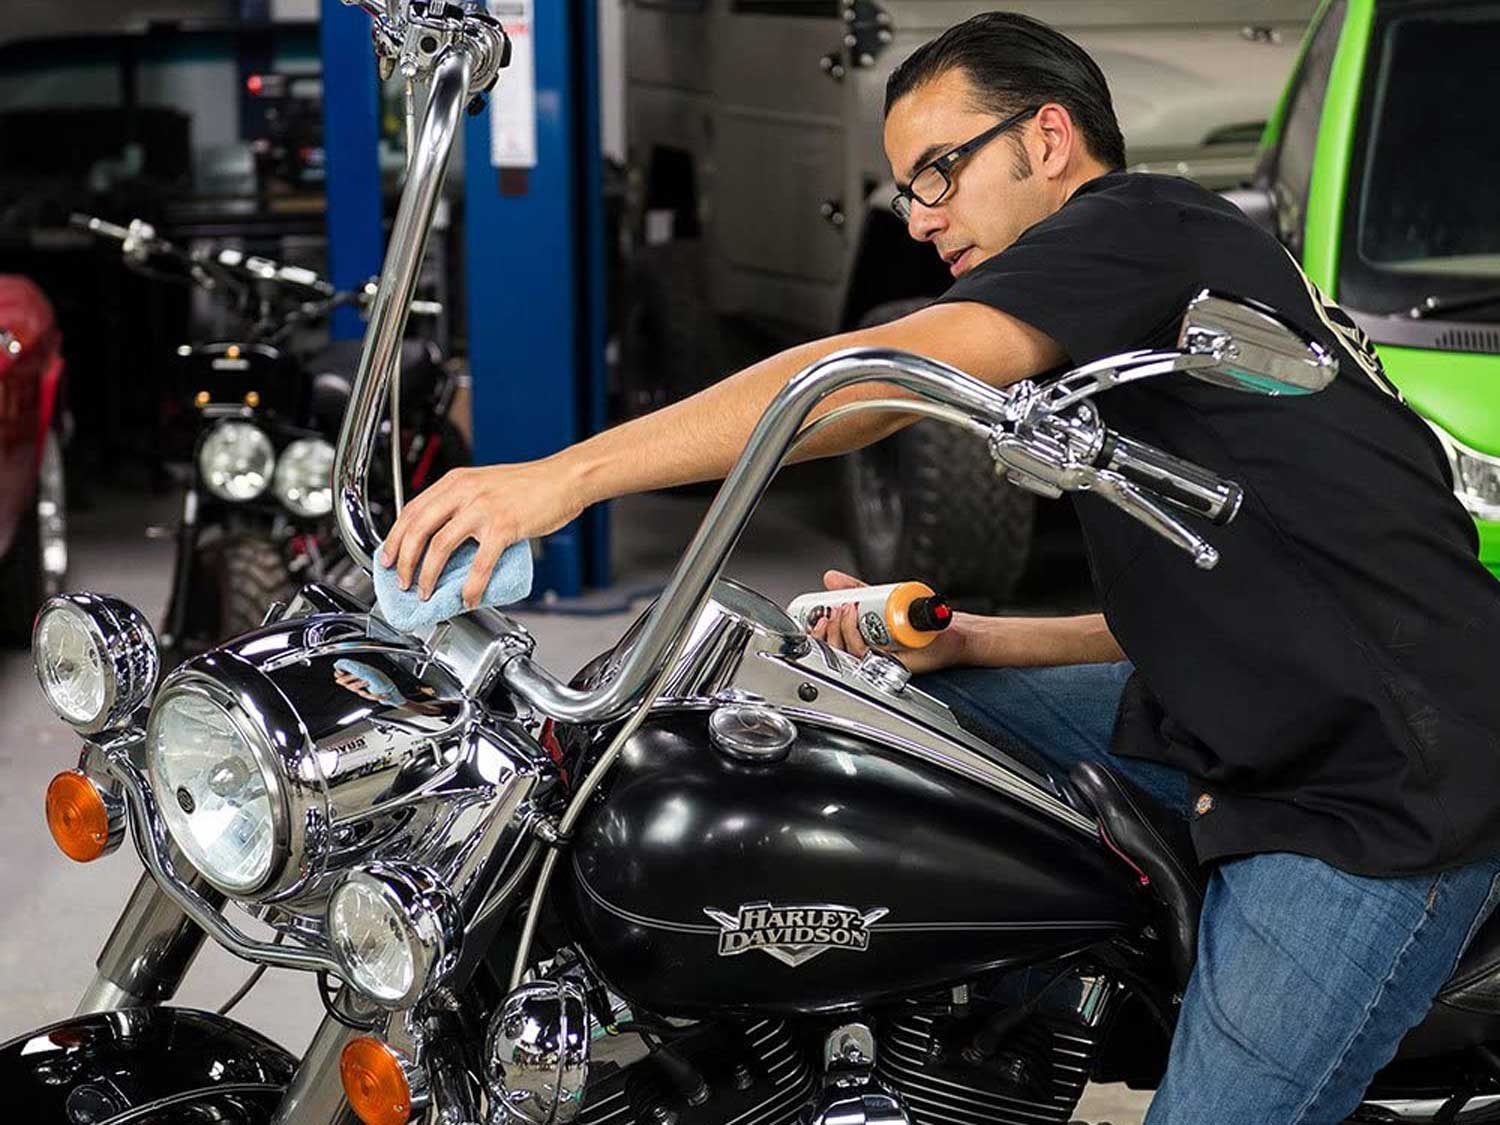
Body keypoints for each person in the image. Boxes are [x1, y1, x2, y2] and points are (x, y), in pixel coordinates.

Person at [381, 12, 1500, 1121]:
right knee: (883, 730)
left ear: (1048, 139)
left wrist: (560, 478)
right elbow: (1237, 584)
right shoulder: (1126, 318)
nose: (920, 220)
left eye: (938, 175)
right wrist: (974, 640)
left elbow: (866, 379)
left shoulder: (1141, 226)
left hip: (1375, 785)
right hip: (1232, 712)